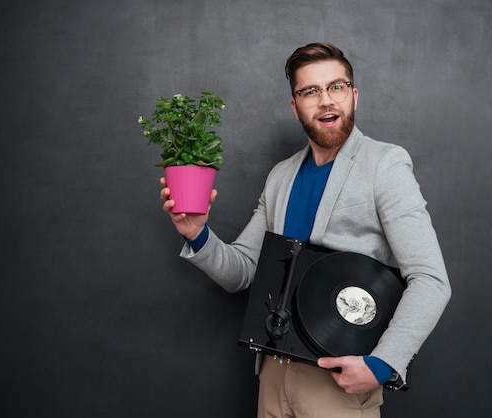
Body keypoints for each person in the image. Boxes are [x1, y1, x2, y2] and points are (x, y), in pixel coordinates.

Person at [160, 42, 451, 418]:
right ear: (294, 106)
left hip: (337, 388)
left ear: (354, 95)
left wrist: (382, 365)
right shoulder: (281, 176)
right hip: (272, 378)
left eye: (336, 87)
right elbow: (243, 272)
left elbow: (430, 278)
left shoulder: (385, 165)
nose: (326, 100)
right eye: (310, 91)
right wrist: (197, 233)